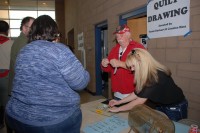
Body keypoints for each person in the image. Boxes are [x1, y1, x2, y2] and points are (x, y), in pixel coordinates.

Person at [5, 15, 90, 133]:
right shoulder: (59, 50)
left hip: (17, 116)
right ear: (54, 32)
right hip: (52, 120)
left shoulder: (23, 51)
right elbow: (80, 82)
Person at [108, 48, 188, 121]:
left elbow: (139, 101)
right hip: (160, 105)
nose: (132, 69)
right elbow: (136, 93)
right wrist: (118, 102)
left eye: (133, 66)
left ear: (141, 62)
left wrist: (118, 109)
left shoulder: (154, 76)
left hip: (175, 106)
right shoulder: (145, 73)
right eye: (130, 67)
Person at [101, 24, 145, 100]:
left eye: (121, 35)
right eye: (117, 36)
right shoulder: (114, 50)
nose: (118, 38)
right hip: (117, 93)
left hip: (133, 94)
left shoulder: (136, 48)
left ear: (128, 35)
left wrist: (120, 64)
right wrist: (104, 64)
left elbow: (141, 66)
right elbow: (108, 69)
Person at [8, 16, 35, 96]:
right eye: (32, 27)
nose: (35, 30)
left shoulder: (22, 41)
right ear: (24, 28)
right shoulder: (23, 43)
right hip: (22, 88)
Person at [0, 20, 13, 129]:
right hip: (6, 77)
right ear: (7, 31)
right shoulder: (11, 43)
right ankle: (8, 127)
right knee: (7, 104)